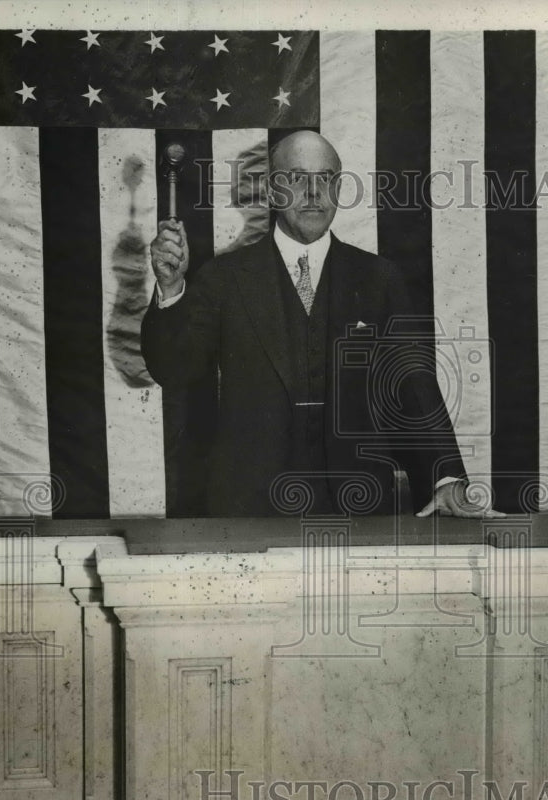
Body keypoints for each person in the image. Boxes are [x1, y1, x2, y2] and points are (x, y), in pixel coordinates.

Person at [142, 130, 501, 519]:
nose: (314, 192)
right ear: (272, 189)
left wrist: (444, 478)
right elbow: (175, 370)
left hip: (359, 506)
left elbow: (413, 388)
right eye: (297, 178)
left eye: (325, 178)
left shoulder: (380, 279)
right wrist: (172, 287)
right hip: (248, 508)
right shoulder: (224, 278)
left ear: (340, 188)